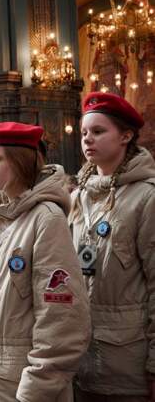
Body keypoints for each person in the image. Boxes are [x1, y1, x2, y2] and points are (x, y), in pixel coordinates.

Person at [0, 122, 91, 402]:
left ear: (21, 162)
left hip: (20, 387)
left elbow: (60, 320)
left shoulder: (46, 218)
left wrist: (35, 390)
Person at [69, 92, 155, 401]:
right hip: (77, 360)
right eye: (84, 133)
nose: (87, 139)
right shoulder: (78, 197)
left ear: (126, 136)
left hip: (127, 365)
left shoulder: (146, 196)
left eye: (98, 131)